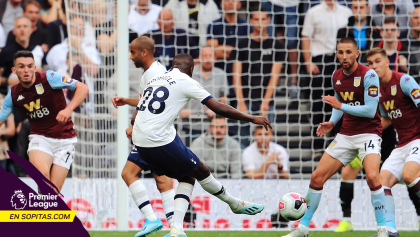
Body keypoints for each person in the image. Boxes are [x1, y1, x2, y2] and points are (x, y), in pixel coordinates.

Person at [131, 53, 270, 237]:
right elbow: (218, 107)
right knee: (201, 170)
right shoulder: (185, 80)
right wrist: (252, 118)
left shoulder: (154, 78)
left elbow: (135, 116)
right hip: (158, 139)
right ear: (191, 70)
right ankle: (234, 203)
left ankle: (177, 230)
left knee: (187, 175)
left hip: (139, 140)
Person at [282, 37, 388, 237]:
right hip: (346, 134)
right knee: (316, 177)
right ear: (336, 53)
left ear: (357, 54)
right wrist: (332, 121)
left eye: (349, 52)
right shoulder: (336, 75)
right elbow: (340, 100)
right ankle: (302, 228)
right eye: (340, 52)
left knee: (373, 177)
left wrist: (340, 107)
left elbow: (370, 109)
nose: (344, 56)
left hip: (369, 133)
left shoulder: (369, 75)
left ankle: (383, 230)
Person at [111, 36, 175, 237]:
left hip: (150, 133)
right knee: (162, 179)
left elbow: (151, 106)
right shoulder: (155, 72)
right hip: (160, 133)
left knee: (128, 174)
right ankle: (176, 229)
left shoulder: (153, 74)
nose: (131, 57)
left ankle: (152, 219)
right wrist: (126, 100)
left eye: (133, 52)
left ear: (144, 52)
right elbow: (145, 99)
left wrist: (133, 124)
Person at [0, 50, 89, 193]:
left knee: (51, 193)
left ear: (35, 68)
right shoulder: (14, 94)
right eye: (21, 67)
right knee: (43, 178)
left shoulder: (50, 78)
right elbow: (1, 118)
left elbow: (83, 88)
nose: (26, 70)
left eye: (30, 66)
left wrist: (68, 109)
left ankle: (44, 211)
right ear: (14, 70)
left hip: (65, 140)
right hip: (40, 138)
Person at [366, 47, 420, 237]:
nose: (374, 66)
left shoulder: (404, 80)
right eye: (370, 63)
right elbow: (387, 118)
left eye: (378, 61)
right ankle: (390, 230)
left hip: (418, 139)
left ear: (387, 61)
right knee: (382, 181)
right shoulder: (378, 91)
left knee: (409, 175)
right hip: (402, 143)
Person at [301, 0, 352, 158]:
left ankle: (338, 144)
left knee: (341, 103)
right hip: (320, 61)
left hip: (342, 61)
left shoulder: (347, 12)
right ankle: (317, 146)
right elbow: (306, 37)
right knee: (318, 104)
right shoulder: (313, 12)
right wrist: (308, 62)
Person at [230, 6, 285, 148]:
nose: (259, 22)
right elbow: (236, 74)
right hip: (246, 100)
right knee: (243, 140)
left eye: (262, 19)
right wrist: (240, 102)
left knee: (266, 142)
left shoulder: (276, 45)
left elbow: (275, 76)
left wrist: (266, 102)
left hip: (266, 101)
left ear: (268, 20)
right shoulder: (242, 44)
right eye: (256, 19)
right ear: (250, 21)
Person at [180, 46, 227, 146]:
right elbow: (179, 94)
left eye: (210, 55)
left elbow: (224, 98)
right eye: (205, 56)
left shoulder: (221, 74)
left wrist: (216, 110)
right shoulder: (188, 74)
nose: (208, 59)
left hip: (212, 126)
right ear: (199, 57)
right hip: (190, 124)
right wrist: (181, 109)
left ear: (215, 58)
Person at [0, 17, 44, 94]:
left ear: (31, 30)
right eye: (19, 26)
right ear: (14, 31)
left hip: (35, 95)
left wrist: (39, 71)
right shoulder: (5, 52)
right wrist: (9, 81)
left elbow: (46, 71)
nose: (22, 29)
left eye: (25, 26)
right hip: (13, 96)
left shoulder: (37, 50)